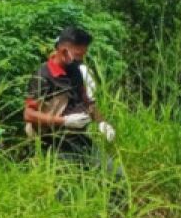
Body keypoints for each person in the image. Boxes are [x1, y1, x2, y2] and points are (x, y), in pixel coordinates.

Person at [23, 26, 118, 172]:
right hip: (53, 141)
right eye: (78, 54)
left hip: (79, 138)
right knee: (69, 185)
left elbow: (87, 101)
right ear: (63, 51)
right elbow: (28, 114)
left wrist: (102, 122)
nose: (81, 59)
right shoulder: (43, 75)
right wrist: (64, 121)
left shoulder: (75, 70)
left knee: (116, 174)